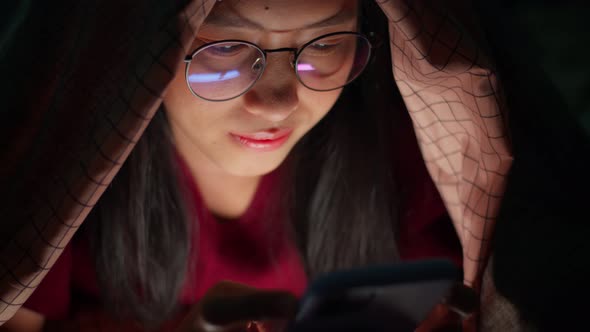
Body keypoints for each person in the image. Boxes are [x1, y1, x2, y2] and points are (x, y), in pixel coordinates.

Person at [0, 0, 521, 331]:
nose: (277, 102)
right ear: (137, 56)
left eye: (324, 44)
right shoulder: (63, 187)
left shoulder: (400, 155)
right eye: (225, 48)